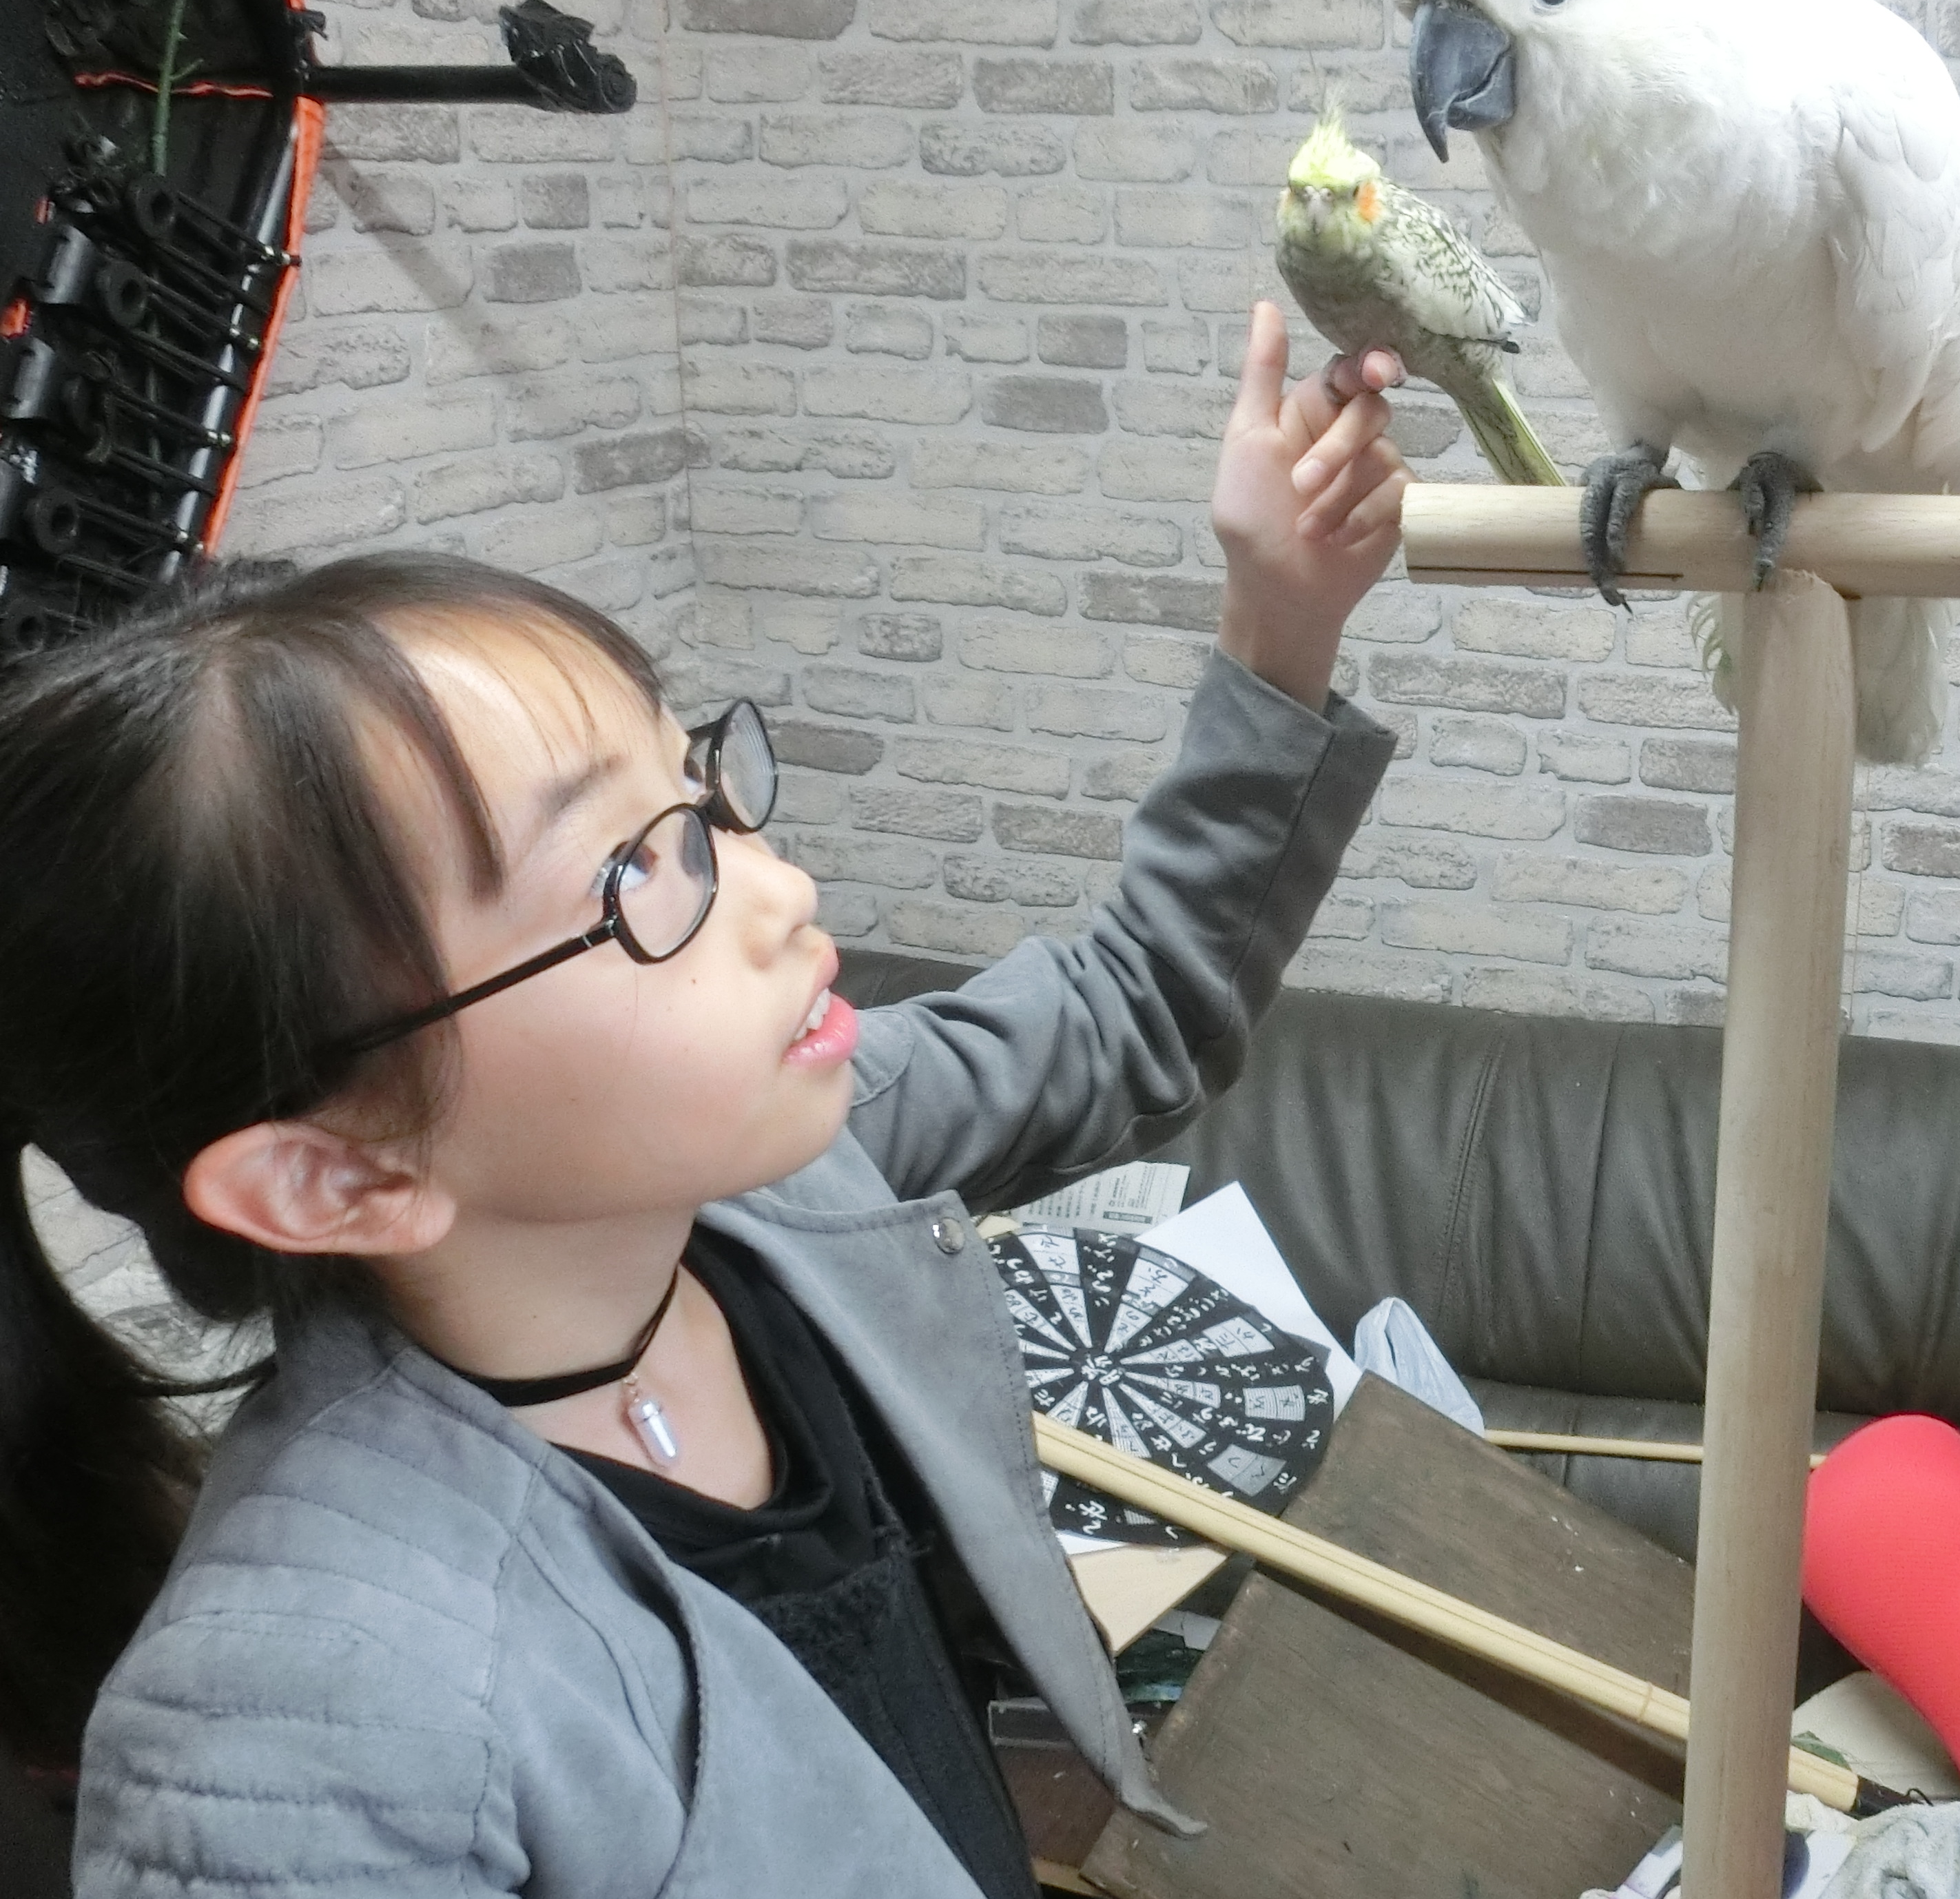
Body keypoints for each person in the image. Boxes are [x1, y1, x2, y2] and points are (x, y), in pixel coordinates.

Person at [0, 302, 1410, 1897]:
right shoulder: (299, 1737)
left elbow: (1131, 1003)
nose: (782, 890)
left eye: (700, 790)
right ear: (341, 1176)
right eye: (636, 877)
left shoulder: (760, 1197)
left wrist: (1281, 624)